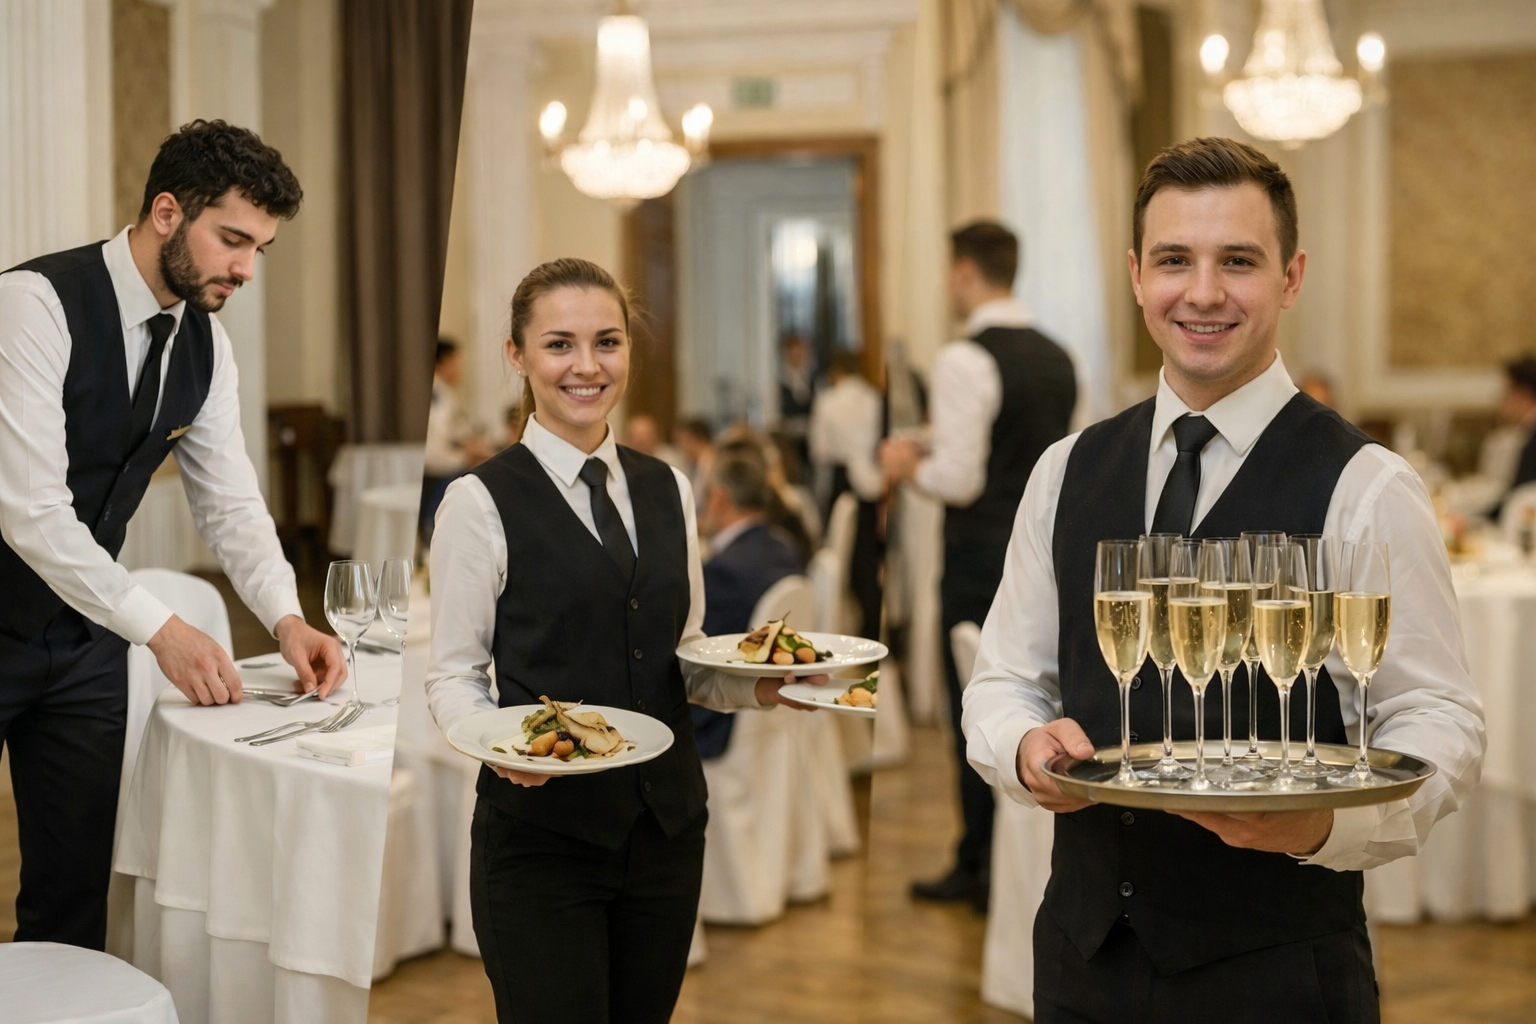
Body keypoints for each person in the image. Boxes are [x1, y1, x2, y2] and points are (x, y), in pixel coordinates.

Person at [962, 137, 1484, 1023]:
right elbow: (1005, 678)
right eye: (1174, 261)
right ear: (1136, 276)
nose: (1202, 293)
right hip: (1082, 962)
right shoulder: (1065, 470)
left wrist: (1323, 827)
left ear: (1291, 276)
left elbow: (1438, 720)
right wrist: (1021, 747)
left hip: (1277, 974)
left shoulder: (1368, 486)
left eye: (1237, 261)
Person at [424, 258, 824, 1024]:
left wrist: (757, 684)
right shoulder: (478, 503)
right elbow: (451, 676)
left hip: (667, 832)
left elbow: (685, 652)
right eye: (559, 345)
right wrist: (499, 750)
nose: (587, 366)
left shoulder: (669, 484)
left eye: (607, 342)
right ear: (517, 355)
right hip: (542, 845)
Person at [0, 119, 345, 949]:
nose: (245, 268)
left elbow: (230, 504)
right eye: (232, 239)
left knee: (74, 890)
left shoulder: (207, 346)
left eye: (260, 248)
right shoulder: (31, 305)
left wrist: (287, 616)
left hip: (81, 641)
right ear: (165, 212)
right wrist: (163, 630)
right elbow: (32, 512)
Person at [881, 220, 1078, 910]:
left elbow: (962, 479)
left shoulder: (965, 359)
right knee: (1040, 702)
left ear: (965, 272)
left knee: (983, 705)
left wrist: (908, 467)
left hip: (979, 559)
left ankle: (979, 864)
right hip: (1050, 556)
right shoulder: (1059, 357)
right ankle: (1022, 859)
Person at [690, 453, 806, 759]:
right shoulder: (785, 547)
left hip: (725, 723)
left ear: (720, 499)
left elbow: (700, 661)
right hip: (777, 716)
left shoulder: (722, 571)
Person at [809, 350, 885, 640]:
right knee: (869, 563)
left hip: (844, 483)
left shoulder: (828, 400)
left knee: (843, 560)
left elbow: (820, 451)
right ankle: (871, 628)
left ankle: (843, 630)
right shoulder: (873, 398)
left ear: (834, 372)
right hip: (873, 484)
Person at [421, 337, 493, 539]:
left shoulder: (444, 393)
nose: (461, 368)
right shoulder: (436, 397)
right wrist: (466, 455)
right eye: (456, 361)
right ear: (443, 362)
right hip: (435, 476)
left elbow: (455, 432)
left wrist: (469, 444)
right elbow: (432, 455)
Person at [778, 331, 816, 471]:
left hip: (810, 444)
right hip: (789, 444)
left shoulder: (813, 381)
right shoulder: (779, 384)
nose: (798, 358)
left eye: (801, 354)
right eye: (794, 354)